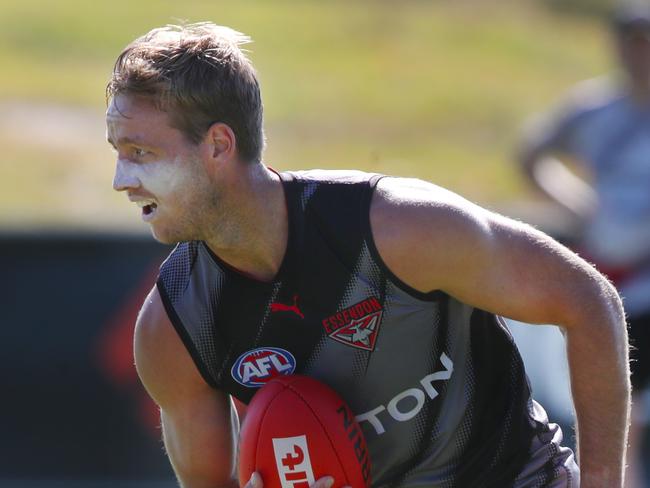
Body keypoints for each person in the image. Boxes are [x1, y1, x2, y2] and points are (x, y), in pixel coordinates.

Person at [105, 22, 629, 488]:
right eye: (119, 154)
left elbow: (589, 300)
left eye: (141, 154)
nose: (121, 181)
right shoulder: (173, 328)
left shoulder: (398, 227)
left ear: (219, 145)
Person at [518, 5, 650, 486]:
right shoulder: (594, 109)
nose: (639, 54)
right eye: (631, 42)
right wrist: (577, 204)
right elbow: (532, 154)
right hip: (612, 273)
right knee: (621, 397)